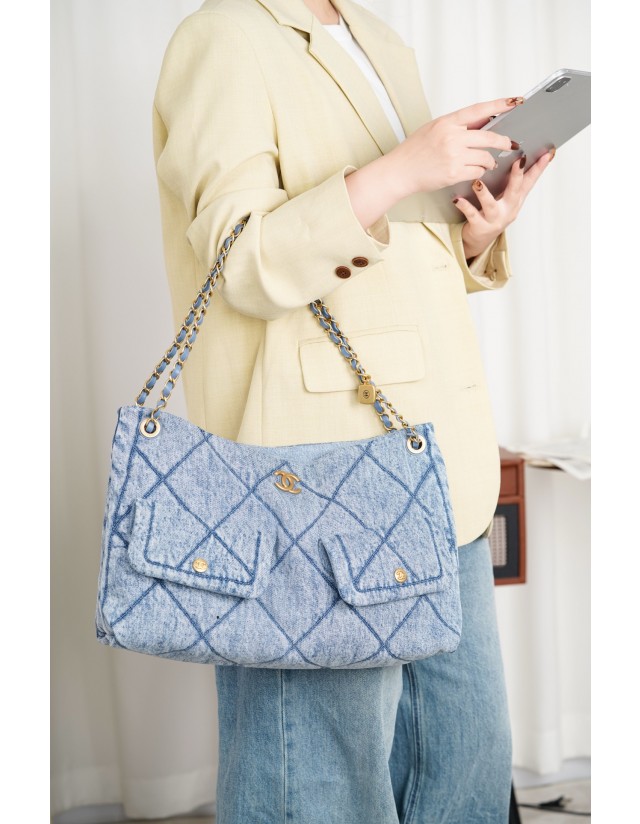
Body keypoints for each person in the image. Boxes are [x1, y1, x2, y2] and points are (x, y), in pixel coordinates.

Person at [152, 0, 552, 821]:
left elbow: (391, 251)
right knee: (318, 782)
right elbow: (240, 261)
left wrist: (476, 230)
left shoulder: (380, 39)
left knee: (466, 762)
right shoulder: (221, 37)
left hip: (438, 463)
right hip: (319, 477)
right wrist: (402, 168)